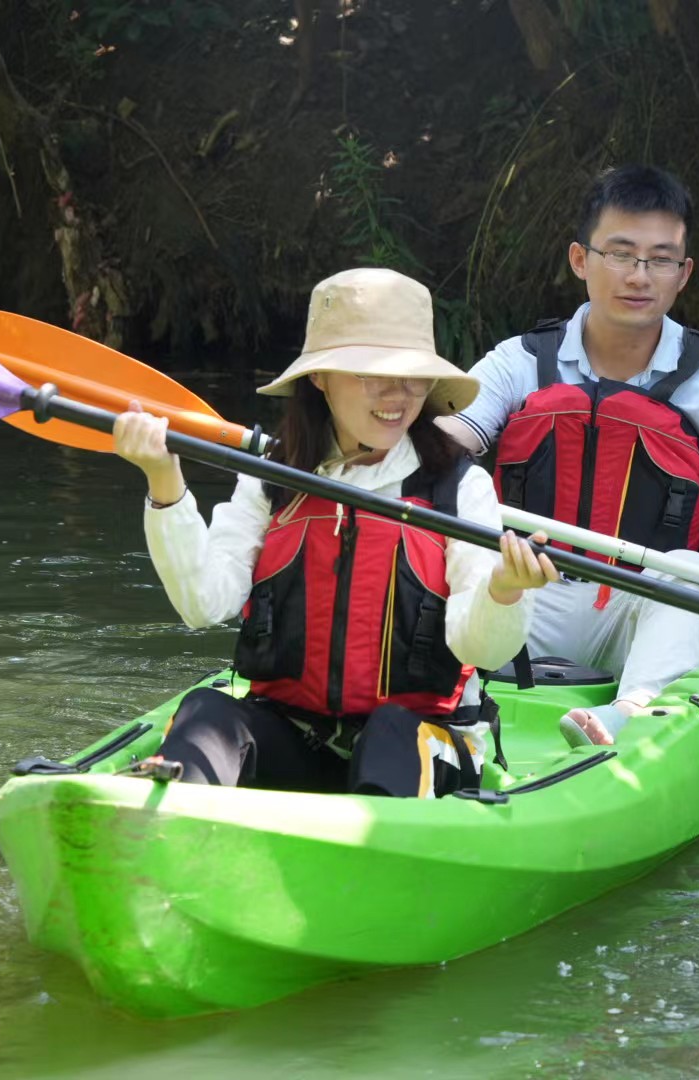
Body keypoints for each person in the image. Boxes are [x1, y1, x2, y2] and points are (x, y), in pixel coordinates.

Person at [113, 267, 559, 798]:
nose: (398, 395)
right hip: (295, 733)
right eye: (373, 374)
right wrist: (164, 482)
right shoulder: (272, 479)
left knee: (390, 731)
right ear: (320, 378)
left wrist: (504, 591)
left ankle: (373, 836)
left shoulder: (458, 489)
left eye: (413, 377)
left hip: (422, 739)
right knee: (206, 709)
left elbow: (482, 649)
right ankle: (163, 816)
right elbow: (203, 604)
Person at [435, 165, 699, 747]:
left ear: (684, 274)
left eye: (660, 260)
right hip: (521, 591)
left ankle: (629, 714)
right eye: (621, 254)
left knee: (695, 572)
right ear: (581, 260)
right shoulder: (519, 361)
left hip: (641, 607)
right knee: (436, 551)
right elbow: (439, 449)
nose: (639, 276)